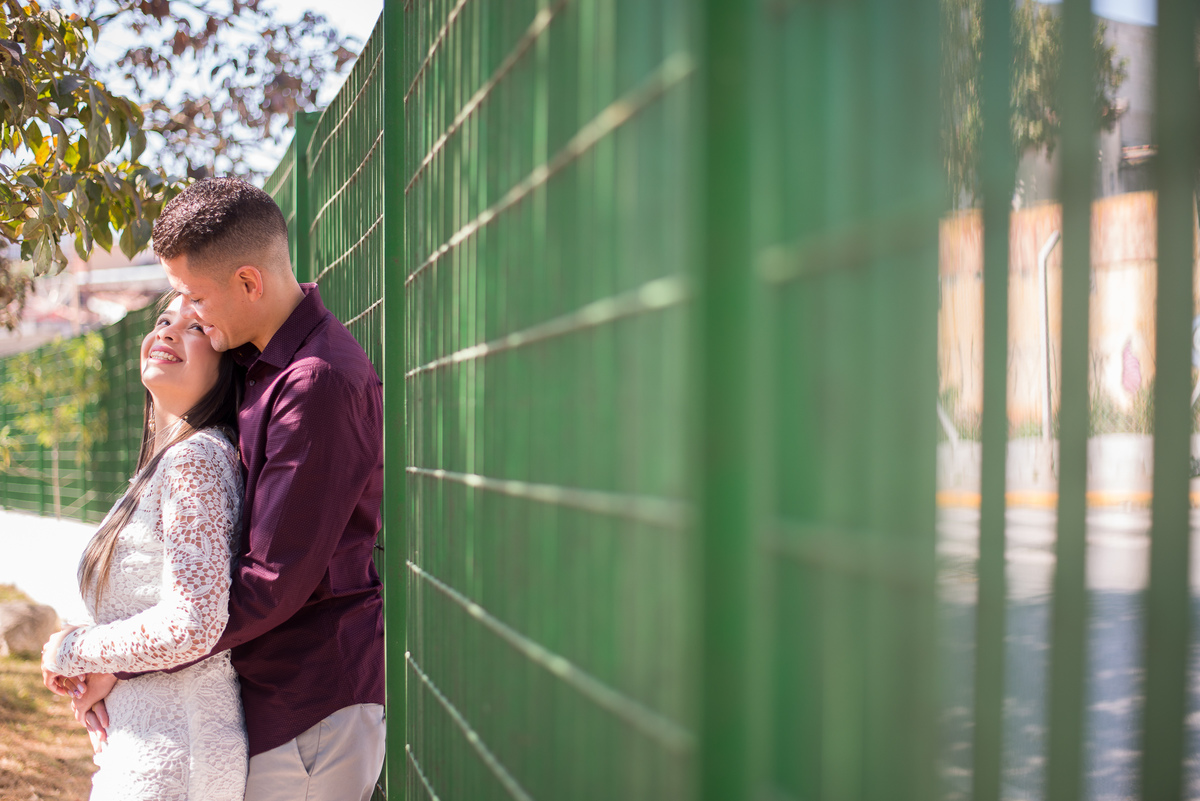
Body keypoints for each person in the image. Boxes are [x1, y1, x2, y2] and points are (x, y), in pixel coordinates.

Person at [64, 177, 387, 801]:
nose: (189, 312)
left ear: (248, 282)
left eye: (196, 296)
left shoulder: (316, 382)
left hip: (310, 703)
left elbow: (271, 582)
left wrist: (114, 660)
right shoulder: (254, 360)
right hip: (263, 696)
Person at [41, 292, 248, 800]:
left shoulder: (195, 460)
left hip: (174, 754)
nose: (167, 331)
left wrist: (70, 650)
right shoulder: (170, 463)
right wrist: (103, 670)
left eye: (195, 327)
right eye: (163, 319)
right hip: (154, 747)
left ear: (228, 365)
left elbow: (191, 624)